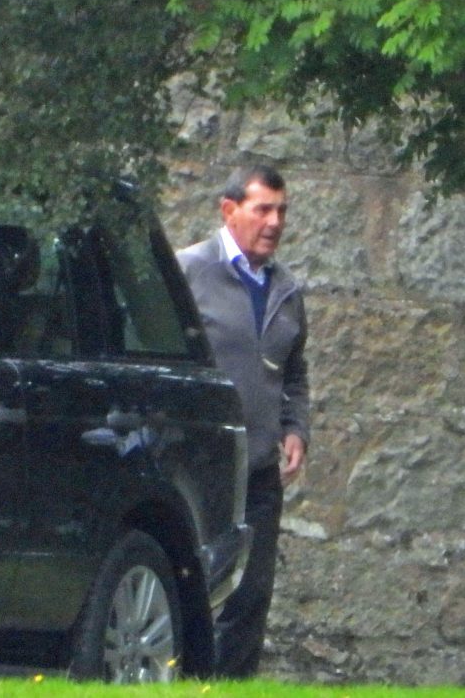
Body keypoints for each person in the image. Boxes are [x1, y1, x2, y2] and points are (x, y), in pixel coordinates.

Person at [176, 164, 310, 678]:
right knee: (193, 587)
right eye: (263, 209)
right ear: (229, 211)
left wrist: (296, 429)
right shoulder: (188, 272)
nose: (275, 221)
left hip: (257, 470)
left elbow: (295, 371)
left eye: (282, 211)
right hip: (196, 463)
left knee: (250, 596)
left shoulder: (286, 290)